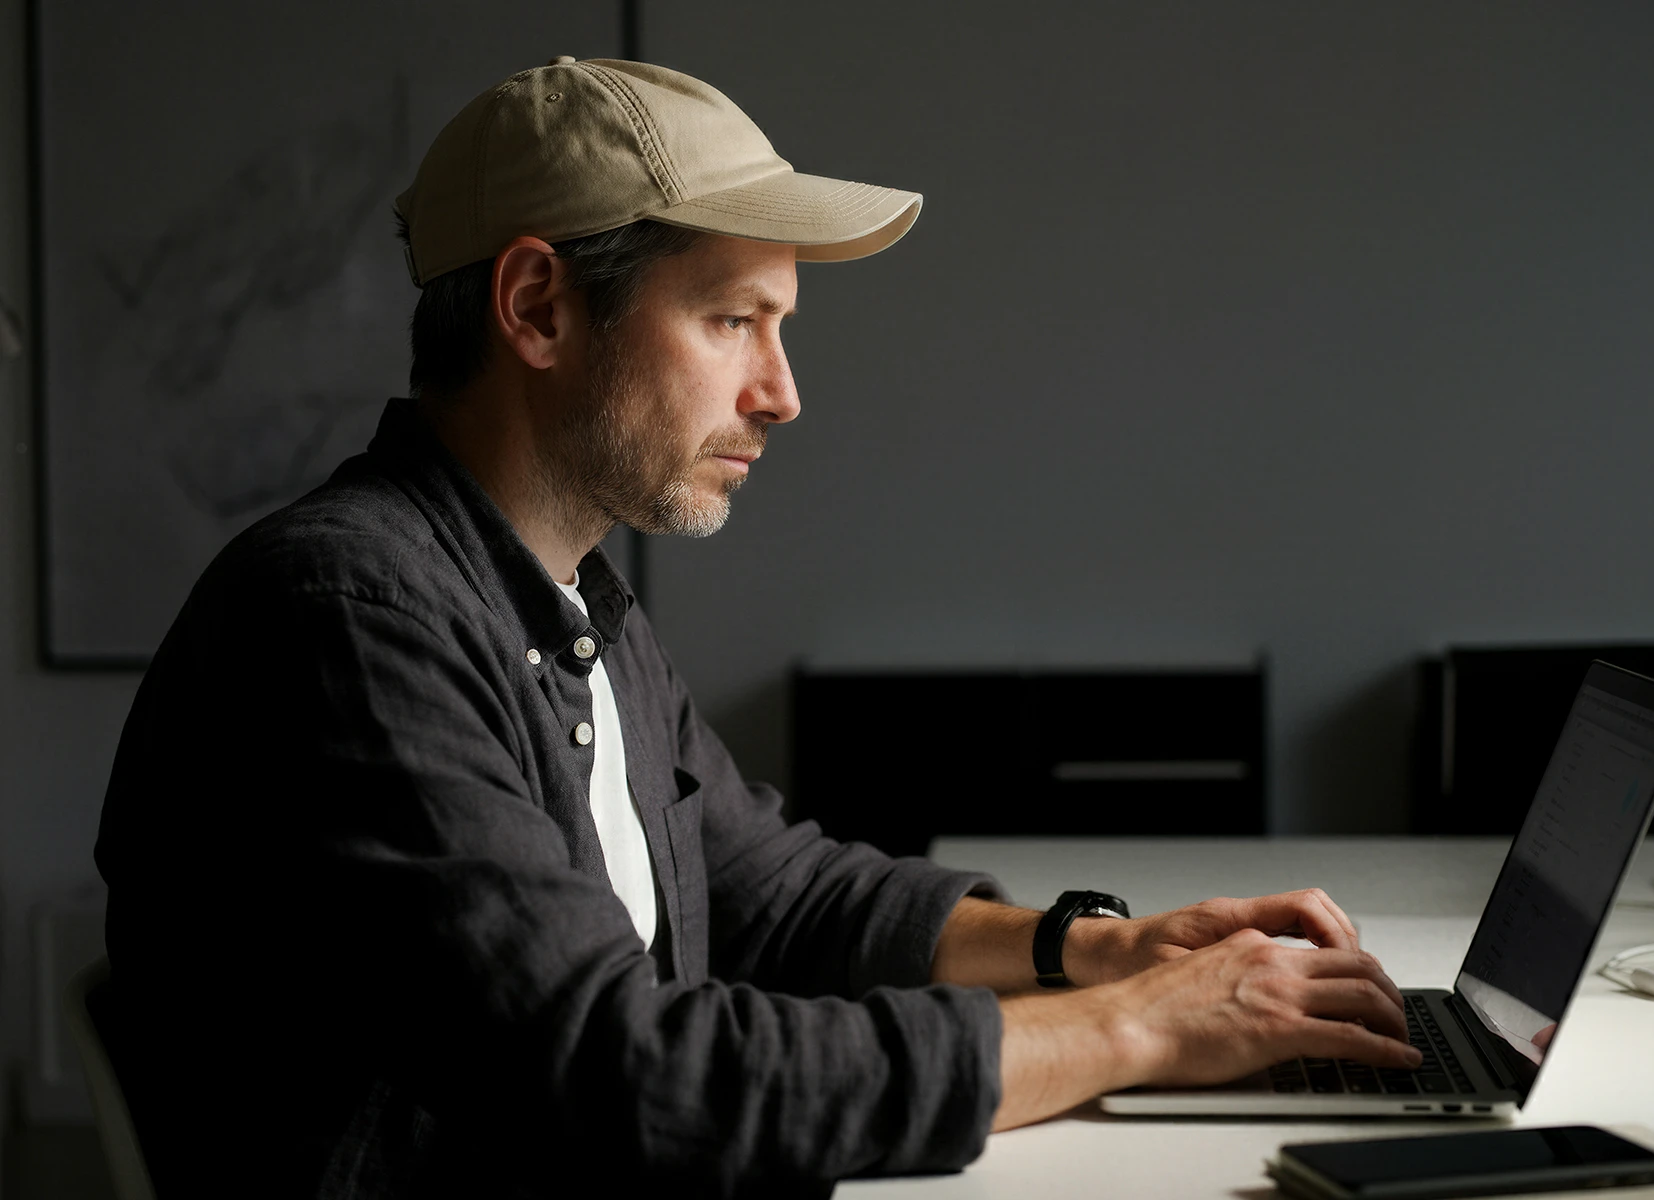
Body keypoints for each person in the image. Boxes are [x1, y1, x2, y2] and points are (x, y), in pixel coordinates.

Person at [94, 58, 1419, 1198]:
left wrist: (1096, 949)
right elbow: (632, 1075)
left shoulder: (570, 605)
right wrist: (1136, 1031)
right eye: (733, 321)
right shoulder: (349, 621)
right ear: (538, 307)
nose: (780, 394)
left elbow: (774, 891)